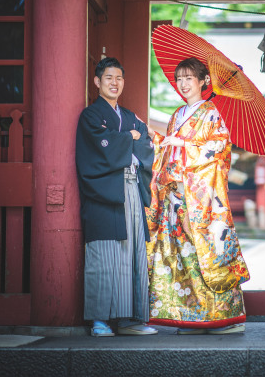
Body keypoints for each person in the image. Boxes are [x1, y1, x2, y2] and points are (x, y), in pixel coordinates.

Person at [147, 57, 248, 334]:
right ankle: (193, 315)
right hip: (175, 196)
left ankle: (223, 317)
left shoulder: (212, 113)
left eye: (189, 78)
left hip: (201, 199)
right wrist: (154, 139)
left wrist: (184, 143)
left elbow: (218, 149)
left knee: (210, 252)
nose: (183, 83)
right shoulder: (177, 114)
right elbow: (167, 152)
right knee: (183, 255)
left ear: (204, 81)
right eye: (180, 78)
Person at [75, 57, 158, 337]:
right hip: (104, 192)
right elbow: (103, 144)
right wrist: (129, 138)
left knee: (132, 251)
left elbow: (145, 142)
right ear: (97, 82)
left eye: (119, 78)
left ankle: (129, 319)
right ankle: (100, 320)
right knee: (104, 255)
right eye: (108, 78)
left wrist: (129, 136)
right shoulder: (90, 116)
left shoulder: (131, 116)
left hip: (131, 189)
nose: (114, 83)